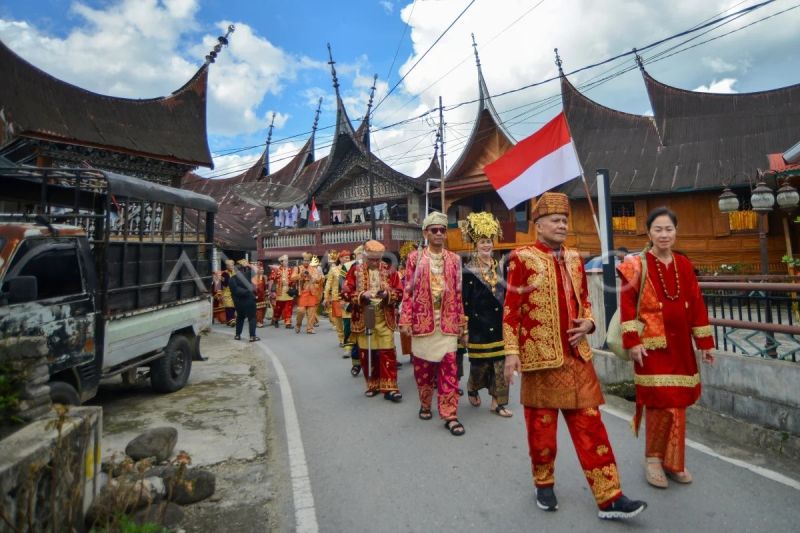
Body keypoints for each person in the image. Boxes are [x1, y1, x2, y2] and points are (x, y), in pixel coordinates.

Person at [503, 192, 647, 520]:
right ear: (538, 225)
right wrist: (512, 352)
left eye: (565, 220)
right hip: (540, 358)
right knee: (541, 430)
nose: (562, 225)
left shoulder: (573, 257)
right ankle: (544, 484)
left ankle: (610, 496)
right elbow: (512, 309)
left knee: (591, 426)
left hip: (576, 357)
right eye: (555, 220)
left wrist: (590, 322)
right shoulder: (521, 257)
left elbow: (584, 300)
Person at [617, 206, 715, 488]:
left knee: (679, 404)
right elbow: (626, 305)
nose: (664, 234)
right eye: (658, 229)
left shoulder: (684, 264)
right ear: (649, 232)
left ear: (676, 232)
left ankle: (674, 461)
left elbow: (696, 304)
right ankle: (652, 460)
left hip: (681, 345)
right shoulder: (636, 264)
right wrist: (632, 342)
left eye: (668, 229)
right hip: (651, 346)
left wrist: (705, 344)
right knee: (660, 403)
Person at [399, 211, 468, 437]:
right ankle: (425, 402)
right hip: (423, 321)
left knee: (450, 367)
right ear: (425, 233)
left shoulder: (454, 260)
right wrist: (406, 319)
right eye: (434, 230)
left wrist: (461, 324)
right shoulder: (415, 259)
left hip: (447, 323)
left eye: (442, 230)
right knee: (424, 370)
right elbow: (407, 292)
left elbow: (458, 294)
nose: (439, 234)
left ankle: (450, 414)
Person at [460, 212, 512, 418]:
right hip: (478, 326)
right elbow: (464, 301)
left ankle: (498, 402)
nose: (486, 245)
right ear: (475, 244)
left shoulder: (501, 267)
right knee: (480, 366)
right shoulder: (468, 270)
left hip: (499, 324)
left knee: (500, 365)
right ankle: (472, 386)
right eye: (482, 241)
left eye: (489, 241)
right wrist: (464, 329)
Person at [343, 240, 403, 401]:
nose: (375, 263)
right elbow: (345, 293)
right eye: (372, 260)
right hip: (364, 316)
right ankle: (373, 384)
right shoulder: (355, 271)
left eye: (378, 259)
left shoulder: (389, 270)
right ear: (365, 257)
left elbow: (400, 291)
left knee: (387, 351)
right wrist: (362, 295)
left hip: (384, 315)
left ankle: (390, 387)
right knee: (367, 352)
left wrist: (388, 295)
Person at [292, 252, 322, 334]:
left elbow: (318, 279)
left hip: (312, 292)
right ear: (302, 261)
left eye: (308, 260)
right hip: (302, 293)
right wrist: (301, 274)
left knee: (311, 312)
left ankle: (310, 328)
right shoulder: (297, 268)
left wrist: (311, 276)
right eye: (305, 260)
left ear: (310, 261)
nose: (306, 262)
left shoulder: (314, 269)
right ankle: (298, 324)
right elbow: (292, 278)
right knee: (301, 311)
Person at [229, 260, 259, 342]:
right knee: (252, 318)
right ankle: (252, 336)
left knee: (240, 317)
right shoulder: (248, 274)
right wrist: (248, 264)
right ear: (243, 269)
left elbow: (235, 290)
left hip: (238, 302)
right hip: (249, 300)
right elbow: (256, 269)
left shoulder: (232, 279)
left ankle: (237, 335)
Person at [323, 250, 346, 346]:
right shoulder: (334, 269)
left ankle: (349, 338)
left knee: (348, 320)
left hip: (349, 298)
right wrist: (326, 297)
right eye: (345, 257)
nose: (347, 259)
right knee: (339, 319)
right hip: (337, 297)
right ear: (340, 259)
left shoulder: (352, 268)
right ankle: (341, 338)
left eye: (348, 257)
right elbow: (328, 284)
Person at [270, 254, 294, 329]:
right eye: (285, 261)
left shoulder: (290, 270)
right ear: (281, 262)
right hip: (280, 291)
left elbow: (293, 279)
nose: (287, 262)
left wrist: (290, 282)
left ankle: (288, 322)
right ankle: (276, 319)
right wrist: (278, 278)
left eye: (287, 261)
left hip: (288, 290)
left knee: (289, 307)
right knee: (278, 307)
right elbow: (271, 278)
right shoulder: (277, 270)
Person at [252, 262, 269, 328]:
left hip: (263, 295)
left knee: (263, 308)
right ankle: (259, 321)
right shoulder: (254, 277)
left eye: (263, 269)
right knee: (259, 309)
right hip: (257, 295)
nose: (262, 270)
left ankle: (260, 320)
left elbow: (265, 287)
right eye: (260, 269)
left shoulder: (264, 277)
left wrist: (267, 292)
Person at [221, 259, 237, 327]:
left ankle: (229, 320)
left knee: (233, 306)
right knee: (229, 306)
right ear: (227, 266)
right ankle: (231, 320)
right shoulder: (224, 273)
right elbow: (224, 283)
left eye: (232, 265)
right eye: (230, 265)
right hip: (227, 292)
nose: (232, 266)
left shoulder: (235, 272)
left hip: (234, 292)